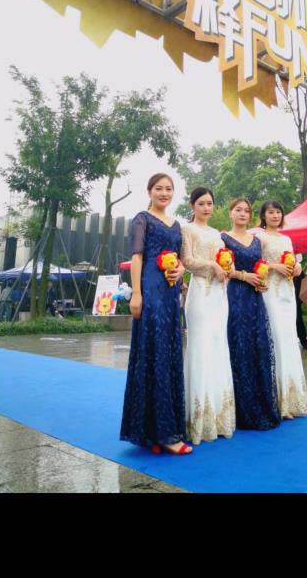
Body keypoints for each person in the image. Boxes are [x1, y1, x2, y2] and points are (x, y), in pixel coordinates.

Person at [120, 173, 192, 455]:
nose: (164, 193)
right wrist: (136, 293)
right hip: (150, 291)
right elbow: (137, 257)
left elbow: (182, 260)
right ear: (149, 191)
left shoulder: (177, 224)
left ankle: (159, 431)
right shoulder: (142, 219)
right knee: (153, 353)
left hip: (171, 293)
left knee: (168, 353)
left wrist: (181, 270)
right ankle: (160, 433)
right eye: (159, 188)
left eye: (169, 189)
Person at [181, 187, 235, 445]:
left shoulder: (217, 234)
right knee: (200, 349)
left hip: (219, 294)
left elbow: (225, 261)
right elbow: (187, 261)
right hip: (200, 293)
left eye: (210, 203)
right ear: (192, 205)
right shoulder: (187, 229)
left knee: (218, 348)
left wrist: (228, 267)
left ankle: (219, 417)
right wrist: (213, 265)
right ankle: (198, 420)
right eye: (201, 203)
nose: (206, 208)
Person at [221, 198, 280, 431]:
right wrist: (244, 276)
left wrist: (262, 281)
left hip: (256, 297)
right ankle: (242, 410)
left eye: (246, 210)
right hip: (235, 296)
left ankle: (261, 405)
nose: (243, 214)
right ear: (230, 213)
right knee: (239, 346)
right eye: (238, 210)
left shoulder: (257, 240)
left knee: (258, 346)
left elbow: (261, 266)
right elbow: (224, 269)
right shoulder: (223, 238)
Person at [256, 201, 307, 420]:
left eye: (278, 211)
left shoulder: (286, 239)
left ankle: (293, 399)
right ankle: (277, 401)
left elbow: (293, 260)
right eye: (271, 212)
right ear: (263, 215)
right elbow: (254, 264)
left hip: (288, 292)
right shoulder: (259, 237)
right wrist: (273, 266)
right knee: (276, 340)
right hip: (270, 292)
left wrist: (297, 267)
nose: (275, 215)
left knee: (289, 340)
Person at [294, 270, 307, 349]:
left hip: (296, 298)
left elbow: (304, 283)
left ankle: (304, 342)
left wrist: (300, 298)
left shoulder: (298, 269)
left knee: (298, 320)